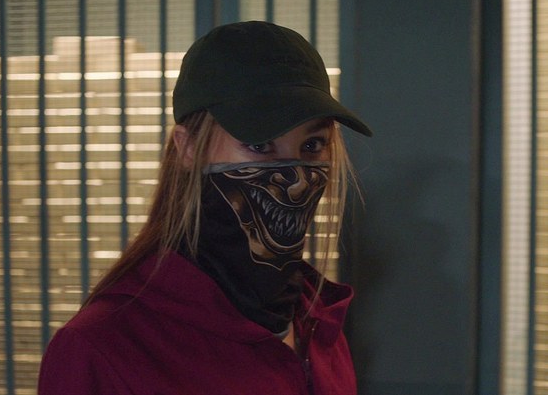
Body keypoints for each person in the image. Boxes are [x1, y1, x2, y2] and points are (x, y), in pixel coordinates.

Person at [38, 21, 372, 395]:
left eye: (312, 146)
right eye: (259, 145)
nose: (296, 179)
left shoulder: (318, 323)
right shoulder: (105, 349)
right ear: (188, 147)